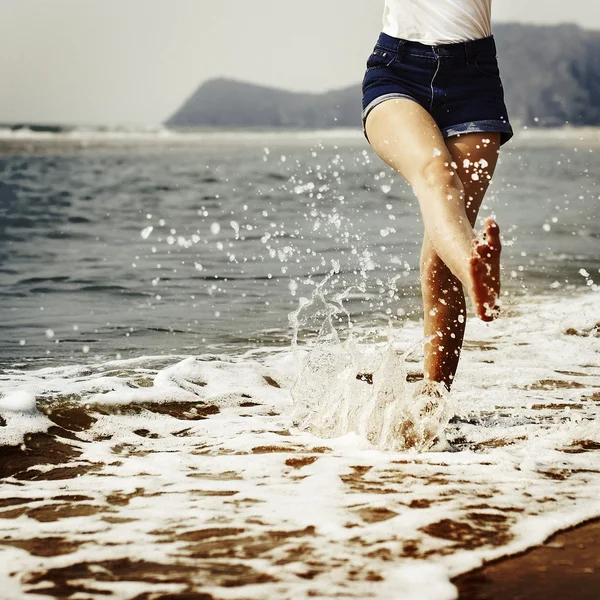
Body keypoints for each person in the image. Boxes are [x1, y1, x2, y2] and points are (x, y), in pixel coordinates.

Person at [362, 0, 512, 407]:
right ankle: (476, 272)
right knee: (436, 174)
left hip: (474, 80)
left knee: (437, 259)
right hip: (397, 70)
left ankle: (432, 404)